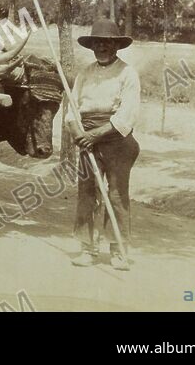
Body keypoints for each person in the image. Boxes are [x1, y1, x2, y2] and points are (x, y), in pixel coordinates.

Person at [66, 18, 141, 272]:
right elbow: (71, 112)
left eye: (107, 43)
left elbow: (126, 117)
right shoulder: (85, 74)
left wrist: (95, 135)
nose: (102, 47)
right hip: (87, 141)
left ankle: (118, 250)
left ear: (116, 46)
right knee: (87, 193)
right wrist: (79, 134)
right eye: (98, 43)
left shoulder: (127, 74)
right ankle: (87, 248)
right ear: (92, 46)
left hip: (116, 141)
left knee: (117, 195)